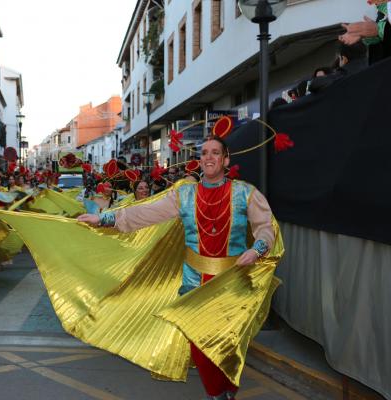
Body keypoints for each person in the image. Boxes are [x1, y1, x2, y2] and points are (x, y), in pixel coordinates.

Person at [78, 137, 276, 400]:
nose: (208, 157)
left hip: (231, 282)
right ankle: (217, 394)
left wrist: (257, 250)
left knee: (229, 343)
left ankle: (226, 390)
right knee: (199, 341)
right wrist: (103, 218)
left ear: (226, 159)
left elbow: (266, 228)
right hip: (194, 282)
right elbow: (143, 214)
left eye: (215, 153)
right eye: (204, 152)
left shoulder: (246, 193)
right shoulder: (184, 195)